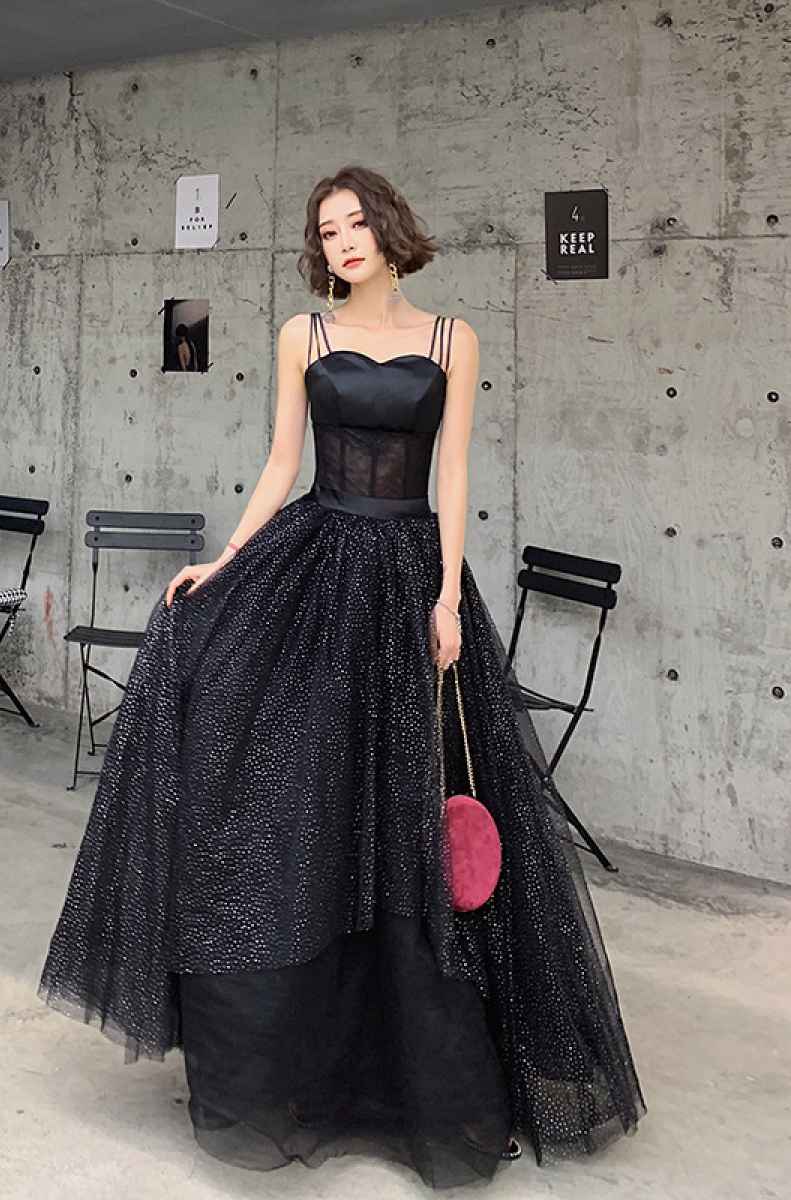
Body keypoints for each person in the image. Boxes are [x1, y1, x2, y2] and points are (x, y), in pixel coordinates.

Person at [38, 164, 646, 1189]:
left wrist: (445, 597)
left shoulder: (453, 339)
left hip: (410, 577)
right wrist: (226, 561)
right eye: (327, 230)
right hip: (317, 569)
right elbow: (283, 464)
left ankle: (439, 1082)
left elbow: (452, 473)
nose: (344, 240)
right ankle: (291, 1064)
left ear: (390, 229)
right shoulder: (302, 335)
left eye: (357, 222)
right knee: (299, 798)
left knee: (413, 816)